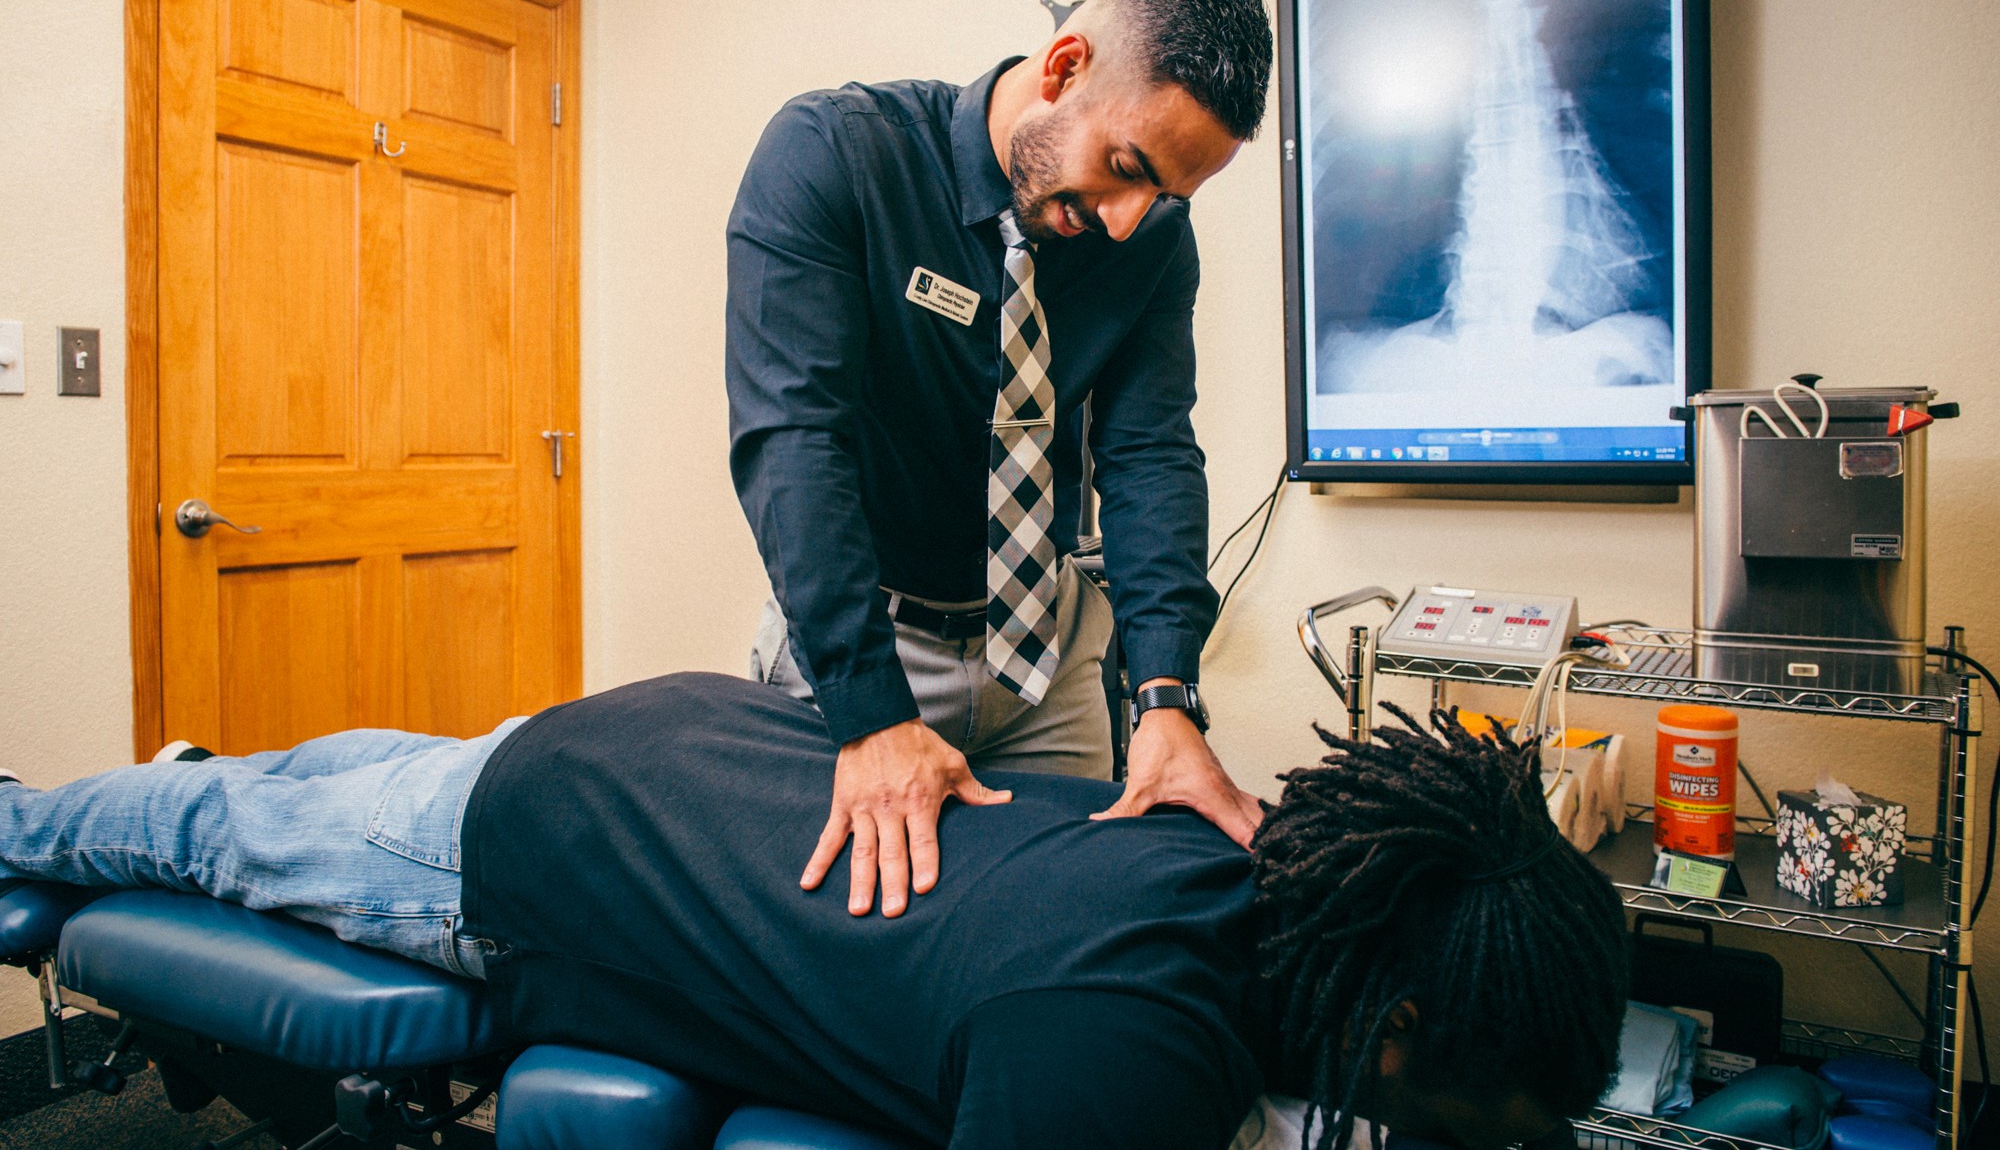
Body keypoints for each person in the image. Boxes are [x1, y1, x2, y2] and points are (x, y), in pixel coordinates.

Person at [2, 674, 1627, 1150]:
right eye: (1495, 1113)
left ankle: (207, 774)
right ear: (1401, 1024)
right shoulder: (1124, 1053)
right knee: (223, 829)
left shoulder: (1232, 853)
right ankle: (19, 824)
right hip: (547, 845)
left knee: (313, 768)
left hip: (690, 735)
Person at [726, 0, 1274, 918]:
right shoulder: (837, 154)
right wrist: (873, 713)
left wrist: (1165, 695)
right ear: (1063, 69)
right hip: (869, 643)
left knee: (1061, 924)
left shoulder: (1148, 239)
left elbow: (1150, 454)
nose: (1127, 222)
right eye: (1127, 170)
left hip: (1045, 651)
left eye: (1166, 198)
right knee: (851, 938)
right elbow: (792, 439)